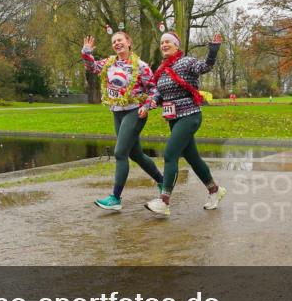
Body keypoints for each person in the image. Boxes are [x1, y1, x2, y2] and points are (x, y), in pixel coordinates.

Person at [142, 31, 226, 217]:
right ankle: (214, 190)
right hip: (173, 118)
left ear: (176, 45)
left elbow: (205, 66)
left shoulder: (187, 62)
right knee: (193, 158)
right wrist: (148, 105)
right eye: (162, 42)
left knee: (170, 154)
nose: (164, 45)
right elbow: (158, 93)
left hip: (190, 115)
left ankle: (164, 201)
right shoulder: (161, 69)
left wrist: (213, 49)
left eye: (168, 42)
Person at [81, 31, 163, 210]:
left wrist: (146, 106)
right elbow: (92, 67)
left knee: (120, 153)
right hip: (117, 112)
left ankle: (115, 199)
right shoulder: (109, 63)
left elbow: (154, 90)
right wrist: (86, 52)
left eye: (120, 40)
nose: (117, 43)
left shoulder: (140, 66)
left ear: (128, 42)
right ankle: (162, 181)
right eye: (114, 41)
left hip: (135, 112)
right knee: (136, 154)